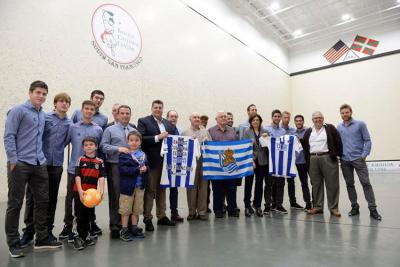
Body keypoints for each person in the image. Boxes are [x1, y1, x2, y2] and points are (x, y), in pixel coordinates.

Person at [4, 80, 62, 258]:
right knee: (15, 203)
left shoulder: (43, 115)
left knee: (42, 201)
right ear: (30, 93)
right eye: (38, 92)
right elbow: (9, 135)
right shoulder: (18, 110)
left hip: (39, 164)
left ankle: (42, 238)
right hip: (20, 163)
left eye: (44, 94)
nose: (41, 96)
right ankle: (13, 243)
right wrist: (13, 159)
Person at [21, 93, 72, 248]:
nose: (64, 104)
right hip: (39, 164)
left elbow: (66, 142)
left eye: (67, 102)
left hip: (56, 165)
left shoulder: (70, 124)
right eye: (61, 101)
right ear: (55, 103)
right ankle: (29, 231)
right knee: (32, 197)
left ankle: (47, 231)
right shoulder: (45, 117)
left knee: (51, 199)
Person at [60, 100, 103, 242]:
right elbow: (64, 143)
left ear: (94, 111)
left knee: (89, 197)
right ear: (82, 110)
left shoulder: (98, 129)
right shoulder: (72, 127)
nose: (89, 111)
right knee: (71, 199)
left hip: (91, 172)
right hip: (74, 169)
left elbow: (99, 150)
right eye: (87, 109)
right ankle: (68, 226)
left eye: (92, 109)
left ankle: (87, 226)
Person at [137, 100, 178, 231]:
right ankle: (148, 218)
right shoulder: (143, 121)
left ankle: (161, 216)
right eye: (156, 107)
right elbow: (141, 138)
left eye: (160, 107)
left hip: (166, 163)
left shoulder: (168, 123)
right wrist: (158, 137)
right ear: (152, 108)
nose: (158, 109)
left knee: (162, 190)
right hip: (152, 162)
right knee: (150, 191)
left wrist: (191, 140)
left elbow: (177, 139)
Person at [337, 104, 382, 220]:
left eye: (346, 112)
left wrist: (364, 155)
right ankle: (354, 207)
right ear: (340, 114)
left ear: (351, 112)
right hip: (345, 160)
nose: (344, 114)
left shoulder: (360, 124)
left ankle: (373, 209)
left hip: (358, 159)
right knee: (349, 184)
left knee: (366, 183)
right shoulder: (339, 127)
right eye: (342, 113)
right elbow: (338, 143)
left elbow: (367, 140)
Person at [100, 105, 137, 238]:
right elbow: (103, 146)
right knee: (116, 195)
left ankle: (127, 225)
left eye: (128, 113)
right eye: (122, 113)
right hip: (115, 165)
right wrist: (118, 149)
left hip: (131, 167)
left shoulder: (134, 130)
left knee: (129, 195)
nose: (125, 115)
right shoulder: (109, 130)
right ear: (118, 114)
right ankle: (115, 225)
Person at [303, 111, 342, 217]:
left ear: (323, 118)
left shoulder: (330, 128)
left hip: (327, 157)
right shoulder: (308, 131)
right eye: (316, 118)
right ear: (312, 120)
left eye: (320, 117)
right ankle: (318, 207)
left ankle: (334, 208)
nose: (318, 119)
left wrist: (338, 154)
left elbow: (338, 141)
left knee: (332, 184)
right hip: (313, 159)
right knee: (316, 184)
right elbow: (305, 146)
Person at [72, 137, 105, 250]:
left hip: (92, 195)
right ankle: (77, 238)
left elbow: (101, 177)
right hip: (80, 193)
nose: (89, 146)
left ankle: (85, 236)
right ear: (83, 147)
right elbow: (77, 176)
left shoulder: (99, 162)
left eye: (91, 144)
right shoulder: (80, 160)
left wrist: (101, 191)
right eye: (86, 145)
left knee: (89, 216)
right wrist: (81, 191)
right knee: (79, 216)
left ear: (96, 146)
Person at [208, 111, 239, 218]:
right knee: (217, 189)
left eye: (225, 117)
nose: (224, 118)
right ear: (216, 119)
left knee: (231, 188)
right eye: (221, 117)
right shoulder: (210, 131)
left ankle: (232, 209)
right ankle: (218, 210)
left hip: (230, 165)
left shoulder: (232, 131)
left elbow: (237, 146)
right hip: (216, 166)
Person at [118, 131, 148, 241]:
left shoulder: (143, 155)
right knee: (126, 209)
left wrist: (146, 169)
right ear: (128, 142)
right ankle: (124, 229)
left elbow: (147, 166)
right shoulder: (124, 155)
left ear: (140, 142)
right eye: (131, 140)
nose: (134, 143)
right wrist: (137, 170)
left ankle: (134, 227)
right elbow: (122, 169)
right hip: (127, 187)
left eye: (137, 140)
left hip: (140, 186)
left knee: (137, 208)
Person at [182, 112, 212, 220]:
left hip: (204, 161)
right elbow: (181, 148)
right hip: (191, 162)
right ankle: (191, 212)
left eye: (198, 117)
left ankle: (202, 211)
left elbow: (211, 146)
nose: (197, 119)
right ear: (190, 119)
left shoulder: (205, 131)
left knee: (203, 186)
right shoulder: (185, 132)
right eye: (194, 117)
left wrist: (208, 141)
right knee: (191, 186)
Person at [243, 114, 270, 217]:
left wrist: (266, 140)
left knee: (259, 184)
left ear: (260, 121)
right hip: (251, 160)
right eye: (253, 120)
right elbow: (245, 147)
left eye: (257, 120)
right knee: (248, 183)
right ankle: (247, 206)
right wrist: (250, 160)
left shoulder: (265, 132)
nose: (255, 121)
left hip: (263, 161)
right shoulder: (247, 132)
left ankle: (258, 205)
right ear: (250, 122)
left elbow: (268, 147)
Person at [265, 109, 287, 214]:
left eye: (279, 116)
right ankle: (268, 205)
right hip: (270, 160)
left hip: (281, 161)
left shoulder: (283, 131)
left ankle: (279, 204)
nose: (277, 118)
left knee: (280, 183)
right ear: (272, 117)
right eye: (275, 116)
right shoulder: (266, 129)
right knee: (269, 183)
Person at [238, 104, 258, 217]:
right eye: (252, 109)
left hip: (259, 159)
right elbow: (241, 142)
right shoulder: (242, 126)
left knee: (258, 182)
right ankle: (247, 204)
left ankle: (256, 203)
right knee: (249, 182)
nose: (254, 111)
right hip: (247, 158)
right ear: (248, 112)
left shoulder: (259, 124)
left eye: (256, 109)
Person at [281, 111, 304, 210]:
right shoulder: (277, 130)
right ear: (282, 118)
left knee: (291, 182)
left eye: (288, 118)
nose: (286, 119)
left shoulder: (292, 130)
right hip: (281, 160)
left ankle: (293, 202)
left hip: (290, 160)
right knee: (279, 183)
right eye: (284, 117)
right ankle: (277, 203)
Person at [166, 110, 184, 222]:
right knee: (160, 190)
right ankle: (160, 214)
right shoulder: (162, 128)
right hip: (163, 162)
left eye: (175, 116)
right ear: (167, 117)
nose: (173, 118)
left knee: (174, 188)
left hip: (174, 163)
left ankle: (174, 212)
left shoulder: (180, 130)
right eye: (171, 116)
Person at [293, 115, 312, 211]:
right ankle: (308, 203)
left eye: (300, 120)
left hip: (310, 161)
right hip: (299, 162)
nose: (299, 122)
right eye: (297, 121)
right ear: (295, 122)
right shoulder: (292, 134)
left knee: (314, 182)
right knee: (304, 183)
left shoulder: (309, 131)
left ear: (303, 121)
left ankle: (316, 203)